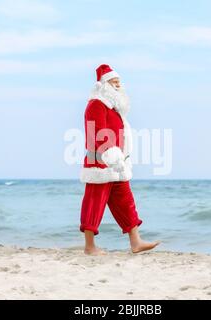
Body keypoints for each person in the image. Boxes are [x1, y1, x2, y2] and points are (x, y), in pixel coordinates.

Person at [79, 64, 160, 255]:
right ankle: (89, 247)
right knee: (94, 203)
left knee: (125, 201)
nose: (117, 86)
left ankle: (136, 241)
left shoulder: (114, 108)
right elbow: (97, 132)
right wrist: (110, 155)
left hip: (117, 164)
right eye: (113, 82)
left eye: (118, 83)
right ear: (103, 85)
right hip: (100, 163)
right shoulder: (96, 104)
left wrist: (121, 159)